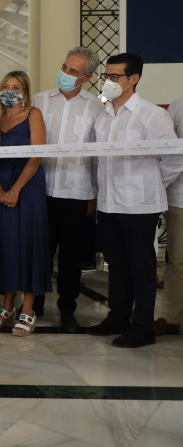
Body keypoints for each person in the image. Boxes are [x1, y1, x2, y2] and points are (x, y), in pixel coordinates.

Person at [87, 53, 183, 347]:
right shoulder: (104, 115)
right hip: (109, 203)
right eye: (106, 76)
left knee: (141, 268)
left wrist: (149, 185)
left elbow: (173, 160)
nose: (109, 81)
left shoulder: (152, 115)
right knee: (116, 264)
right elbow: (97, 159)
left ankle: (142, 327)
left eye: (115, 76)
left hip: (140, 205)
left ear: (134, 79)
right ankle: (117, 317)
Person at [32, 47, 103, 331]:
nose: (65, 74)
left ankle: (67, 309)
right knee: (39, 252)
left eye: (73, 71)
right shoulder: (39, 101)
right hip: (42, 190)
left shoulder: (96, 107)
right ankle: (34, 304)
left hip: (77, 191)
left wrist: (94, 192)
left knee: (71, 257)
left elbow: (97, 155)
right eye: (64, 67)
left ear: (86, 78)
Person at [0, 70, 51, 336]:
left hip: (28, 185)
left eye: (16, 87)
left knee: (29, 243)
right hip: (1, 185)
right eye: (6, 86)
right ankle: (8, 306)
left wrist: (15, 190)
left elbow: (36, 156)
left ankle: (28, 309)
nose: (10, 91)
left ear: (25, 92)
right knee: (6, 244)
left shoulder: (33, 114)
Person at [156, 95, 183, 336]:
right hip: (180, 198)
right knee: (177, 261)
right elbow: (164, 145)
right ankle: (172, 317)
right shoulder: (179, 105)